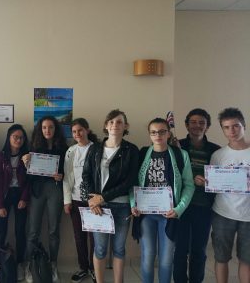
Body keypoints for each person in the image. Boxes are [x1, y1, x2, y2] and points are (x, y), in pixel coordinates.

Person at [130, 118, 194, 283]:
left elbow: (189, 186)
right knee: (148, 257)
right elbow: (133, 184)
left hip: (170, 215)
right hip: (146, 214)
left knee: (166, 260)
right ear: (149, 135)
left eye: (162, 131)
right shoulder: (143, 153)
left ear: (168, 133)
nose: (158, 135)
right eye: (154, 132)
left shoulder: (181, 155)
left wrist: (179, 209)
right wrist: (133, 204)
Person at [81, 109, 139, 283]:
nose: (115, 125)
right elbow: (86, 176)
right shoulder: (95, 149)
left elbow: (130, 181)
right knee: (99, 249)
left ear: (126, 126)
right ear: (106, 126)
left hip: (122, 207)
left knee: (119, 249)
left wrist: (103, 197)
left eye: (119, 122)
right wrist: (92, 200)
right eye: (111, 122)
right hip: (98, 207)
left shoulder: (131, 150)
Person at [173, 109, 220, 283]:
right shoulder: (177, 146)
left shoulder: (216, 151)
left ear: (207, 127)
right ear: (186, 125)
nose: (197, 125)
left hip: (204, 206)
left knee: (199, 250)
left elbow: (221, 180)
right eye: (193, 122)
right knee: (180, 249)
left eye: (202, 122)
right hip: (181, 206)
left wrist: (208, 182)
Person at [22, 115, 68, 283]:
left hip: (55, 190)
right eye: (44, 127)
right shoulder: (33, 147)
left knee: (54, 230)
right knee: (33, 230)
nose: (47, 130)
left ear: (56, 129)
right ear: (40, 130)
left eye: (51, 127)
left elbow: (67, 173)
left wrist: (61, 176)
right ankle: (29, 264)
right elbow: (28, 177)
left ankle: (53, 265)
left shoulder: (63, 149)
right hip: (37, 191)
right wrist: (26, 162)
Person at [210, 108, 250, 283]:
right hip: (223, 213)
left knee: (247, 260)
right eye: (226, 127)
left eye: (236, 126)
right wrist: (206, 181)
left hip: (248, 216)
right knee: (221, 257)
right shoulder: (218, 155)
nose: (232, 131)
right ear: (222, 130)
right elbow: (215, 184)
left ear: (244, 126)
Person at [0, 124, 29, 282]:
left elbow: (29, 181)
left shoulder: (27, 157)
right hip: (4, 196)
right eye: (15, 137)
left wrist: (24, 198)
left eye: (21, 137)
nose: (18, 140)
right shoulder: (1, 156)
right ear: (9, 138)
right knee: (1, 232)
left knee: (20, 231)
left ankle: (20, 264)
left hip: (20, 195)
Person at [63, 118, 98, 283]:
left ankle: (94, 268)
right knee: (79, 236)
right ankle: (83, 267)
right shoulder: (70, 151)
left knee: (94, 236)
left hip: (93, 200)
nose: (77, 134)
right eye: (74, 132)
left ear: (87, 130)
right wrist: (67, 200)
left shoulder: (97, 149)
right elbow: (67, 178)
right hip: (76, 200)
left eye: (80, 130)